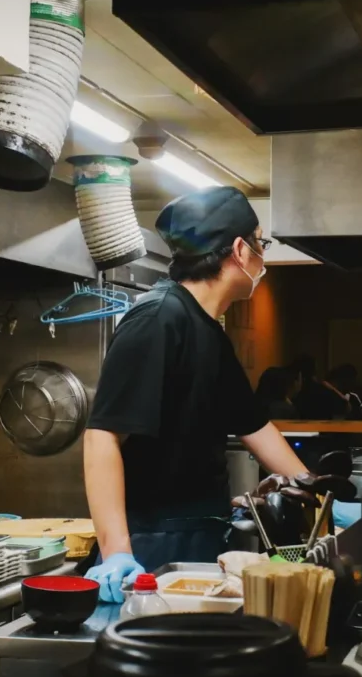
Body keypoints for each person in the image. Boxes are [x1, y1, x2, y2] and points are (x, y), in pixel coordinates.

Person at [83, 187, 311, 602]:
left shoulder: (209, 329)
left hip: (199, 533)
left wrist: (314, 489)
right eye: (262, 243)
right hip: (152, 543)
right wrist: (117, 551)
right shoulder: (157, 319)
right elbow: (102, 437)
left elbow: (254, 426)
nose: (264, 257)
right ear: (241, 250)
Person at [291, 354, 349, 420]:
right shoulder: (324, 391)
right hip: (323, 429)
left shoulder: (297, 395)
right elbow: (346, 407)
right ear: (315, 370)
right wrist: (332, 389)